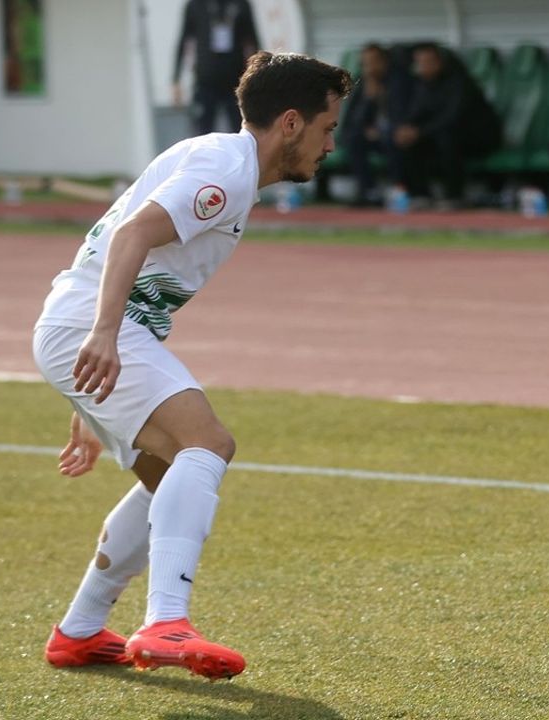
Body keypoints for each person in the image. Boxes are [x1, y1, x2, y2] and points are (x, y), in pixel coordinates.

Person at [36, 52, 352, 679]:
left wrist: (89, 397)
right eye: (327, 128)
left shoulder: (215, 157)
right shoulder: (225, 175)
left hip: (92, 329)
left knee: (165, 477)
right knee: (207, 443)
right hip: (90, 328)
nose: (330, 144)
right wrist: (100, 336)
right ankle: (166, 623)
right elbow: (129, 237)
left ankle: (80, 630)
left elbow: (126, 260)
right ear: (291, 123)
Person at [392, 43, 501, 208]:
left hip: (478, 137)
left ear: (440, 62)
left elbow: (452, 118)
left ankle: (454, 195)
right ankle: (420, 195)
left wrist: (420, 131)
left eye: (428, 62)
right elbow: (416, 114)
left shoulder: (460, 82)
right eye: (420, 63)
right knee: (409, 141)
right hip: (439, 135)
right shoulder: (422, 85)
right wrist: (406, 129)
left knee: (447, 137)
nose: (423, 67)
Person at [172, 0, 261, 136]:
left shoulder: (241, 4)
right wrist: (176, 79)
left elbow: (253, 41)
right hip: (205, 80)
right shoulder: (196, 5)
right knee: (201, 133)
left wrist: (259, 77)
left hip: (236, 81)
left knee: (242, 131)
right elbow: (184, 40)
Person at [341, 43, 393, 207]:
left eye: (373, 62)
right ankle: (368, 191)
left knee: (396, 141)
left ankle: (400, 191)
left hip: (393, 134)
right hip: (372, 137)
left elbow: (404, 116)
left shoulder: (397, 82)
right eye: (365, 63)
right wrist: (370, 99)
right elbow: (354, 120)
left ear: (384, 62)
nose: (369, 67)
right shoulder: (362, 84)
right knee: (355, 139)